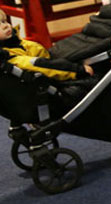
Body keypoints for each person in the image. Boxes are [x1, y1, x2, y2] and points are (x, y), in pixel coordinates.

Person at [0, 9, 94, 140]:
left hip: (47, 64)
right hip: (44, 88)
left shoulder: (16, 43)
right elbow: (43, 66)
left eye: (4, 21)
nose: (5, 25)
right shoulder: (12, 59)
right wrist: (75, 70)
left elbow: (37, 51)